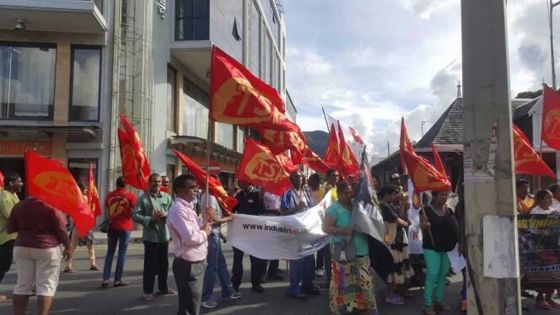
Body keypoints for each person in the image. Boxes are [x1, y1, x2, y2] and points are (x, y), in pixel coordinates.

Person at [7, 197, 70, 315]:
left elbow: (10, 229)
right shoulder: (51, 206)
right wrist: (68, 248)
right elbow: (62, 230)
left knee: (22, 285)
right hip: (47, 248)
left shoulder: (19, 206)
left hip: (22, 247)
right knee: (46, 285)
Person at [323, 181, 377, 315]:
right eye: (345, 193)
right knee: (344, 285)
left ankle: (365, 307)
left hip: (362, 251)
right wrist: (344, 231)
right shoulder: (333, 209)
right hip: (344, 254)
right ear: (339, 194)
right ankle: (344, 309)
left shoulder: (357, 206)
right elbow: (325, 228)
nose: (349, 195)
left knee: (365, 283)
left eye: (350, 192)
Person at [167, 174, 213, 315]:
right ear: (180, 190)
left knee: (190, 304)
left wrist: (207, 219)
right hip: (189, 264)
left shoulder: (189, 208)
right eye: (192, 187)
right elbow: (191, 238)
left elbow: (199, 227)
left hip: (197, 262)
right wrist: (205, 232)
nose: (196, 190)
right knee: (191, 306)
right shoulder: (178, 210)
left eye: (196, 187)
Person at [133, 173, 175, 301]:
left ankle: (163, 288)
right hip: (151, 237)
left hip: (164, 236)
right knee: (150, 266)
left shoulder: (167, 197)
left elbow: (174, 212)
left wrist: (165, 214)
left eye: (159, 182)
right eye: (154, 182)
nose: (157, 184)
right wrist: (150, 219)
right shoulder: (143, 198)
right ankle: (148, 291)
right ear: (149, 183)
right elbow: (135, 215)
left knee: (164, 265)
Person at [199, 188, 241, 309]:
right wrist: (229, 218)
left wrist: (222, 235)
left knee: (221, 265)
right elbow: (212, 219)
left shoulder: (213, 197)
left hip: (215, 233)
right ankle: (206, 297)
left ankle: (227, 291)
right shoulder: (209, 197)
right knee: (212, 267)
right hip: (212, 234)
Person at [281, 170, 319, 299]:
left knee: (309, 259)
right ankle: (294, 288)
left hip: (306, 230)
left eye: (301, 176)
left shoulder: (306, 192)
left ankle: (307, 284)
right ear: (291, 179)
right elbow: (283, 213)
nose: (299, 178)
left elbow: (309, 209)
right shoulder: (287, 194)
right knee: (297, 260)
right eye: (296, 176)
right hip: (293, 232)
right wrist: (297, 208)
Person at [420, 190, 459, 315]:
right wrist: (425, 226)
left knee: (443, 274)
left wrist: (461, 243)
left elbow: (455, 228)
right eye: (441, 194)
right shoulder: (425, 211)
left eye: (445, 195)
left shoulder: (449, 211)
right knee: (433, 274)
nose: (444, 197)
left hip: (447, 248)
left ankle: (438, 300)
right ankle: (427, 304)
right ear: (435, 197)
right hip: (431, 248)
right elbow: (422, 226)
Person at [378, 185, 413, 305]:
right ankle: (389, 295)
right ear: (386, 194)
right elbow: (401, 222)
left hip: (396, 240)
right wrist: (407, 223)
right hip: (391, 242)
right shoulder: (384, 206)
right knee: (392, 269)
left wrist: (403, 204)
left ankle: (392, 292)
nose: (395, 196)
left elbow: (400, 217)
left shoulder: (389, 206)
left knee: (396, 268)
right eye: (393, 194)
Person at [230, 181, 267, 293]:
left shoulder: (257, 194)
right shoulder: (239, 195)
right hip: (240, 233)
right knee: (237, 259)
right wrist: (230, 198)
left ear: (248, 182)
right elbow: (231, 211)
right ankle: (235, 284)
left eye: (241, 181)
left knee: (255, 259)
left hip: (253, 233)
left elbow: (261, 211)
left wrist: (261, 199)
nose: (239, 183)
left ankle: (256, 283)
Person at [101, 176, 137, 288]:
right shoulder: (130, 196)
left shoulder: (109, 195)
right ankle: (117, 280)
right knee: (122, 253)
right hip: (125, 227)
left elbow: (107, 210)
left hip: (112, 226)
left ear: (116, 184)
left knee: (110, 253)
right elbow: (134, 210)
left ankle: (105, 279)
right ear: (126, 185)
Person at [530, 189, 560, 310]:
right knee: (543, 274)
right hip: (541, 247)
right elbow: (532, 229)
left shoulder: (554, 211)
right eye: (548, 197)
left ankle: (549, 297)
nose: (551, 200)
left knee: (555, 274)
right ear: (541, 199)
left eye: (552, 197)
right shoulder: (535, 212)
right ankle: (540, 298)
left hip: (555, 245)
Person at [65, 182, 98, 272]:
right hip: (85, 225)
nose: (86, 190)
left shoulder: (74, 199)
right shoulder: (84, 198)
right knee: (90, 246)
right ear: (81, 189)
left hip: (77, 225)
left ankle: (68, 265)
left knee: (72, 246)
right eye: (85, 189)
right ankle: (93, 263)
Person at [0, 172, 23, 303]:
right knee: (3, 265)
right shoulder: (5, 197)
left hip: (14, 236)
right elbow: (11, 217)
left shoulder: (13, 195)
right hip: (6, 237)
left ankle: (24, 289)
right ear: (11, 183)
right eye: (19, 181)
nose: (21, 184)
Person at [309, 173, 330, 284]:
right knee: (310, 244)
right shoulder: (307, 192)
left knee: (321, 245)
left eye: (312, 180)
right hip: (309, 221)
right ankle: (310, 267)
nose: (310, 182)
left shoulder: (323, 191)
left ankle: (319, 267)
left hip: (321, 221)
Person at [261, 190, 284, 281]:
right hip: (268, 221)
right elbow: (262, 206)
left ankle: (273, 271)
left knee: (276, 248)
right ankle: (262, 273)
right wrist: (275, 210)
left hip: (278, 222)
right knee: (267, 248)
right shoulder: (264, 192)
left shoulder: (280, 192)